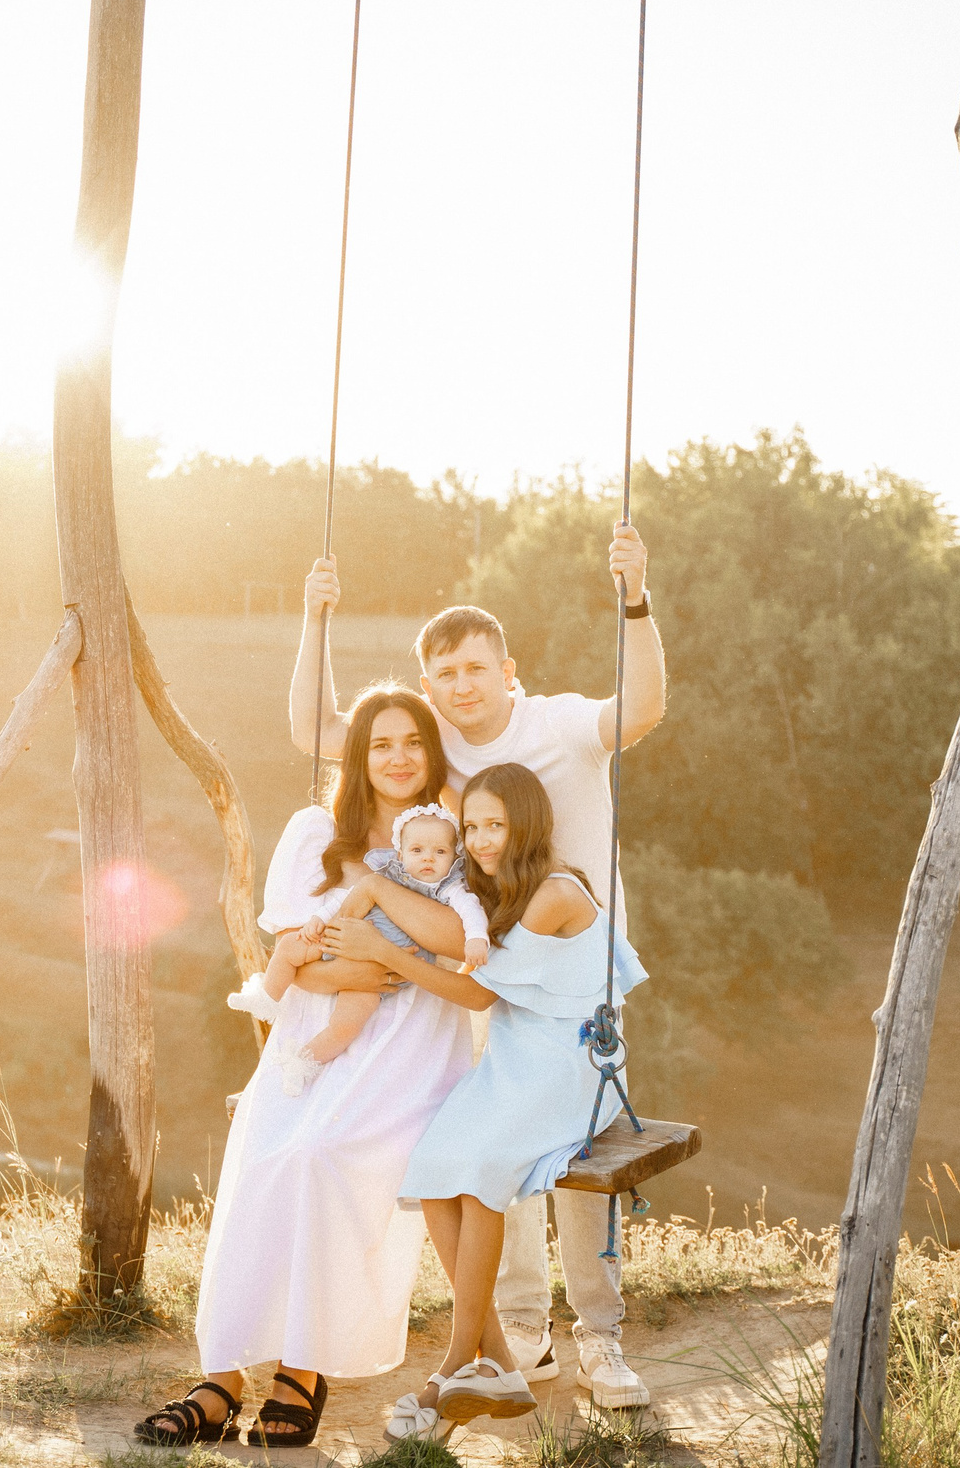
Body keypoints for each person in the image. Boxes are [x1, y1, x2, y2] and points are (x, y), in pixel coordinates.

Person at [283, 521, 664, 1408]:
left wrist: (635, 598)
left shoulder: (562, 723)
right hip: (490, 962)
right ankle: (523, 1331)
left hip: (573, 968)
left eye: (476, 668)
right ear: (429, 684)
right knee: (505, 1149)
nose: (462, 685)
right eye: (445, 673)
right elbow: (315, 729)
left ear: (509, 671)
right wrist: (315, 617)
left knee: (580, 1144)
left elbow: (640, 708)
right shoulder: (440, 750)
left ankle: (600, 1336)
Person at [133, 687, 477, 1450]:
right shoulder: (317, 829)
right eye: (380, 742)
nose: (397, 756)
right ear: (357, 754)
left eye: (413, 741)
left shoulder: (450, 837)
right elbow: (293, 944)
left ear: (432, 753)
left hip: (411, 1036)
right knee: (265, 1156)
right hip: (313, 1026)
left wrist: (375, 956)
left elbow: (457, 939)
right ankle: (221, 1377)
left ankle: (302, 1365)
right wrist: (354, 965)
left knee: (322, 1157)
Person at [323, 762, 647, 1445]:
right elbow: (453, 935)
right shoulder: (495, 888)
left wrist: (383, 946)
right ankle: (496, 1359)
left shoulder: (554, 892)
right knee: (437, 1165)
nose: (481, 838)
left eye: (494, 824)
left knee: (483, 1172)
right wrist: (381, 886)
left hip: (569, 1065)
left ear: (525, 822)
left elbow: (477, 991)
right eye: (471, 826)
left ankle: (449, 1369)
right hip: (512, 1057)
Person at [268, 804, 488, 1092]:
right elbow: (344, 900)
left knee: (344, 1026)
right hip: (342, 945)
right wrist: (318, 920)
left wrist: (476, 937)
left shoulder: (448, 888)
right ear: (401, 854)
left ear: (454, 856)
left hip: (385, 978)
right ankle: (265, 997)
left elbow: (471, 912)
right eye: (417, 851)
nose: (428, 860)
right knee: (290, 947)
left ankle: (301, 1062)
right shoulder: (388, 873)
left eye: (440, 852)